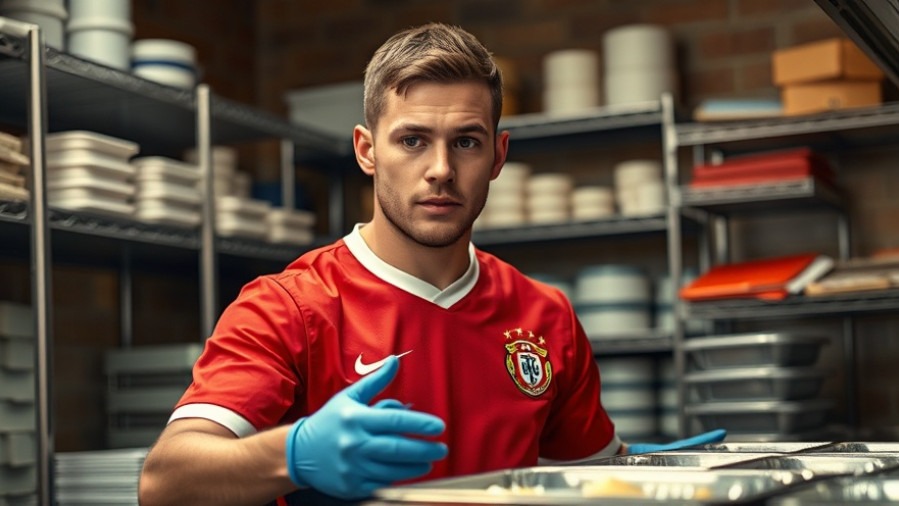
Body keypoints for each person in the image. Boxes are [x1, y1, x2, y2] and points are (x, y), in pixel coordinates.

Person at [138, 22, 725, 506]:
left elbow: (589, 478)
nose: (441, 168)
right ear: (367, 151)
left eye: (466, 142)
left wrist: (664, 471)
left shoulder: (546, 315)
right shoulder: (289, 305)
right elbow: (164, 483)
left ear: (498, 155)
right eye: (412, 140)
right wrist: (290, 453)